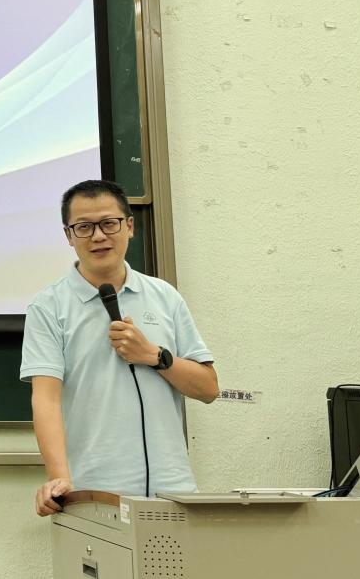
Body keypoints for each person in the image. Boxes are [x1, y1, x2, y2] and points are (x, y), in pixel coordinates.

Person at [20, 179, 219, 516]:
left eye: (109, 223)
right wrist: (59, 478)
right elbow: (46, 399)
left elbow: (208, 388)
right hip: (93, 491)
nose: (98, 236)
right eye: (84, 227)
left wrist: (155, 356)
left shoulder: (165, 296)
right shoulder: (49, 306)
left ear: (129, 226)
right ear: (68, 236)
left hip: (173, 489)